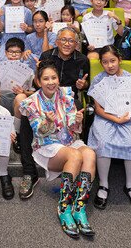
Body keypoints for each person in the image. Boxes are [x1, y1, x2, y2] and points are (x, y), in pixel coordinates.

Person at [18, 61, 95, 239]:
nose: (51, 82)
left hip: (68, 141)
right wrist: (48, 122)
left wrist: (77, 119)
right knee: (75, 155)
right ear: (38, 81)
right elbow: (38, 130)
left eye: (54, 78)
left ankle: (79, 207)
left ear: (58, 79)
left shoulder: (67, 95)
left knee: (90, 153)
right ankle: (64, 208)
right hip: (46, 145)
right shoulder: (31, 102)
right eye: (46, 78)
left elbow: (73, 127)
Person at [88, 46, 131, 211]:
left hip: (126, 118)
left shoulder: (129, 78)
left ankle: (130, 186)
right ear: (101, 63)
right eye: (105, 62)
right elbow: (97, 109)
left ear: (119, 59)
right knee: (103, 142)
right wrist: (114, 119)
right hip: (105, 117)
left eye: (112, 61)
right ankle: (104, 185)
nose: (110, 65)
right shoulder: (99, 79)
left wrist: (125, 117)